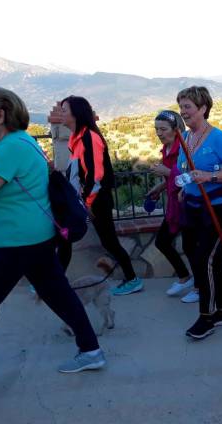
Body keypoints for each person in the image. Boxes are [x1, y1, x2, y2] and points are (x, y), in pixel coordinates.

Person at [0, 87, 104, 410]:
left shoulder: (9, 149)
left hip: (21, 240)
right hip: (34, 236)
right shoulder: (23, 141)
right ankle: (91, 350)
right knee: (56, 292)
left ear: (0, 114)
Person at [176, 86, 222, 340]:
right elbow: (184, 170)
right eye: (181, 107)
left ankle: (206, 318)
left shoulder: (217, 138)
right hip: (195, 206)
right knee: (211, 260)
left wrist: (209, 176)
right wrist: (185, 186)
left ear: (203, 108)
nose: (183, 112)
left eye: (188, 107)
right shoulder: (186, 137)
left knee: (203, 259)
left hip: (219, 206)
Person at [58, 96, 142, 296]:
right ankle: (55, 280)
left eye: (64, 110)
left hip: (95, 201)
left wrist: (87, 204)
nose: (61, 114)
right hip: (86, 200)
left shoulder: (90, 137)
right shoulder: (77, 137)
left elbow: (96, 176)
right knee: (66, 238)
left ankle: (133, 279)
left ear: (76, 113)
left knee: (107, 241)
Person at [146, 110, 198, 302]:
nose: (159, 133)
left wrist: (166, 171)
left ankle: (199, 287)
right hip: (174, 205)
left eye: (163, 129)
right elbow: (171, 178)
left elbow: (190, 175)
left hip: (187, 203)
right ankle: (185, 277)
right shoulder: (166, 149)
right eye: (156, 129)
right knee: (163, 241)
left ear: (176, 130)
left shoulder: (183, 149)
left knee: (190, 246)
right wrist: (159, 188)